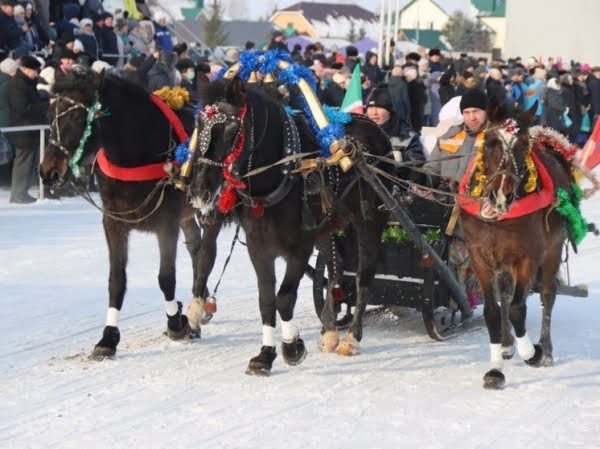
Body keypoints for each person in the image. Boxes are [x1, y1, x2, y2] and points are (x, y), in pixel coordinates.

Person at [422, 88, 489, 307]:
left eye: (476, 111)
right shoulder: (451, 134)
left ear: (486, 112)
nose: (472, 117)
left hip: (478, 206)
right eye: (467, 111)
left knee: (459, 244)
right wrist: (428, 180)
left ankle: (464, 292)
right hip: (444, 200)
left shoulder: (495, 138)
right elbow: (432, 165)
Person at [7, 55, 49, 204]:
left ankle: (22, 192)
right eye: (33, 71)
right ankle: (17, 193)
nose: (35, 74)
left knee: (28, 162)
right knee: (23, 163)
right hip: (23, 128)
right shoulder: (18, 84)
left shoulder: (27, 83)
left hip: (30, 129)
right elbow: (22, 108)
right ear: (24, 69)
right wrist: (44, 105)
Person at [366, 84, 425, 181]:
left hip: (395, 184)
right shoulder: (360, 132)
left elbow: (417, 161)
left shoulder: (406, 136)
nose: (374, 112)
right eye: (371, 107)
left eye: (379, 107)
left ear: (390, 111)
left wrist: (400, 162)